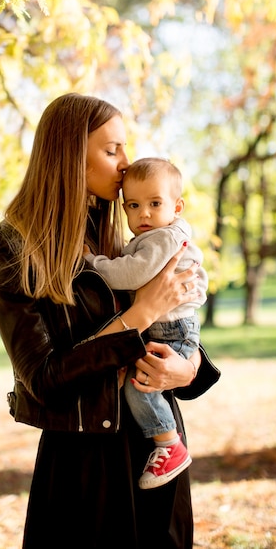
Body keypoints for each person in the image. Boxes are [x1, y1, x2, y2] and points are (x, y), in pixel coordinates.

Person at [0, 93, 220, 549]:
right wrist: (139, 314)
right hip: (83, 458)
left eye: (125, 149)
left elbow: (177, 324)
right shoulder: (9, 247)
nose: (126, 164)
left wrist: (187, 369)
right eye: (112, 151)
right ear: (70, 155)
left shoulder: (130, 233)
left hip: (158, 445)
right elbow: (43, 379)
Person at [84, 156, 208, 490]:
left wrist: (92, 263)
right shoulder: (161, 236)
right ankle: (167, 442)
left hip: (171, 330)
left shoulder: (164, 238)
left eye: (155, 203)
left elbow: (131, 273)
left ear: (177, 206)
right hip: (168, 326)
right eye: (134, 205)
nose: (144, 214)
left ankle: (169, 444)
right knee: (141, 382)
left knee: (140, 385)